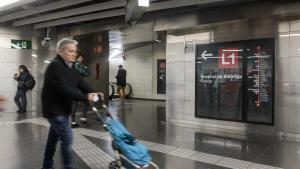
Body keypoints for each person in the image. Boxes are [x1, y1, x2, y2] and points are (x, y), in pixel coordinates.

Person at [41, 38, 101, 169]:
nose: (74, 54)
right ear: (61, 52)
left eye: (75, 51)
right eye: (70, 51)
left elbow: (79, 83)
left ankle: (47, 166)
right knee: (67, 138)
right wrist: (86, 97)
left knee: (53, 139)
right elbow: (65, 90)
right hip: (54, 110)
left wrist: (94, 92)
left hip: (62, 109)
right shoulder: (55, 66)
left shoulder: (71, 65)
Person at [71, 51, 91, 128]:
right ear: (78, 57)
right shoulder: (77, 65)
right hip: (78, 87)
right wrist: (85, 68)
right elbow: (87, 73)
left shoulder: (73, 64)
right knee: (85, 101)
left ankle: (74, 122)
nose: (82, 58)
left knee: (75, 104)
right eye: (81, 57)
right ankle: (82, 118)